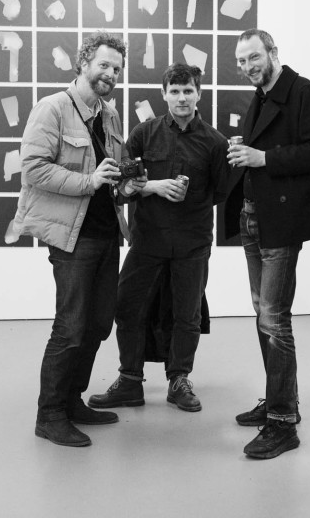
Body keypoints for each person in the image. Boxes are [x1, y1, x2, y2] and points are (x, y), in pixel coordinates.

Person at [223, 29, 310, 459]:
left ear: (273, 53)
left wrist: (263, 158)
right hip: (254, 218)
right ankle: (280, 398)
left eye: (254, 57)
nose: (247, 67)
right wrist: (245, 152)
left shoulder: (304, 92)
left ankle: (282, 421)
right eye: (241, 61)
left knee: (274, 318)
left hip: (281, 223)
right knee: (264, 315)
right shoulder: (262, 96)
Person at [9, 32, 129, 447]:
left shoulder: (109, 115)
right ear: (83, 63)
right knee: (71, 326)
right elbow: (33, 168)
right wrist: (89, 181)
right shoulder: (53, 108)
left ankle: (72, 401)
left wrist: (126, 184)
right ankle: (50, 414)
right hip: (72, 237)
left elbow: (112, 172)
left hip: (107, 233)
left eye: (117, 68)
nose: (110, 73)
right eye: (104, 64)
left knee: (98, 324)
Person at [89, 63, 229, 413]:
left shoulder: (215, 142)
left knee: (187, 314)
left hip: (192, 242)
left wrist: (189, 198)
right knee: (127, 306)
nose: (182, 98)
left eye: (188, 91)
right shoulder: (143, 134)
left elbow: (220, 192)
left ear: (199, 93)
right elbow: (122, 186)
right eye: (175, 91)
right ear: (164, 94)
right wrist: (153, 186)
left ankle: (179, 379)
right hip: (147, 240)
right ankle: (129, 381)